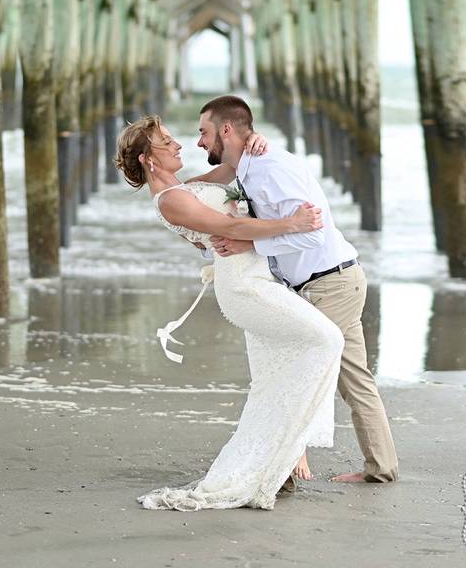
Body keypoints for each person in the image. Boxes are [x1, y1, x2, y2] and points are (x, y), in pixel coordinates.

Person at [113, 115, 345, 511]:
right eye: (166, 142)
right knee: (326, 340)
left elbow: (238, 163)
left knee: (273, 376)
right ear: (148, 159)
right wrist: (292, 223)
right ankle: (295, 440)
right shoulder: (170, 201)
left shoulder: (185, 189)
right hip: (245, 289)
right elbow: (229, 227)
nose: (178, 146)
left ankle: (282, 456)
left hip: (260, 280)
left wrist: (255, 139)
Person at [196, 95, 400, 484]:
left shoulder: (270, 169)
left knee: (298, 372)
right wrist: (177, 186)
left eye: (204, 132)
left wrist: (251, 244)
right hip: (322, 282)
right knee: (352, 377)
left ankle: (286, 467)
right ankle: (380, 467)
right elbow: (222, 178)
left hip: (329, 283)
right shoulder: (249, 167)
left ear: (227, 130)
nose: (200, 142)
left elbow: (311, 235)